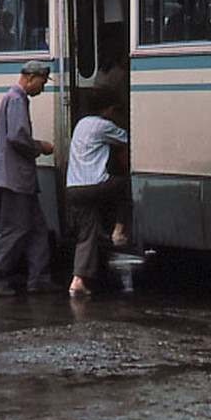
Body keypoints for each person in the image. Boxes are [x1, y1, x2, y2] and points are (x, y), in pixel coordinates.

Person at [0, 61, 55, 296]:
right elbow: (17, 136)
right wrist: (39, 147)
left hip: (19, 178)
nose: (42, 88)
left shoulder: (15, 98)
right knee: (15, 229)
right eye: (42, 83)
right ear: (31, 78)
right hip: (15, 178)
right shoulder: (16, 99)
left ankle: (39, 278)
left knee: (37, 229)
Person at [66, 89, 130, 299]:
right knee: (124, 184)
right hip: (93, 186)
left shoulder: (80, 124)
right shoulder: (104, 126)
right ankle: (118, 230)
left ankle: (78, 281)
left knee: (87, 234)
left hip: (73, 188)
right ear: (107, 108)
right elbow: (127, 139)